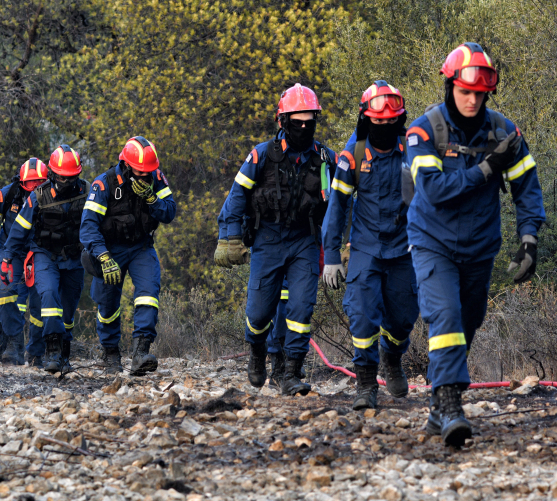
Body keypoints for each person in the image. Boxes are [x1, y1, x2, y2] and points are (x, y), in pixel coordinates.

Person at [406, 43, 545, 447]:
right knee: (445, 315)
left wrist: (529, 238)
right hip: (432, 241)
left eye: (478, 94)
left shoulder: (505, 132)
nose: (471, 100)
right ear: (450, 86)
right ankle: (450, 407)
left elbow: (527, 188)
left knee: (468, 321)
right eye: (464, 91)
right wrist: (487, 168)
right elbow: (433, 190)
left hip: (480, 247)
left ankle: (437, 405)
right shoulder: (423, 131)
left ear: (487, 93)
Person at [215, 83, 336, 396]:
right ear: (283, 122)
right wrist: (228, 237)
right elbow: (236, 197)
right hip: (268, 239)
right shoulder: (260, 155)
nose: (304, 127)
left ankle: (290, 371)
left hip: (305, 240)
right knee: (258, 314)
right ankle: (258, 351)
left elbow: (343, 203)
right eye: (298, 121)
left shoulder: (325, 159)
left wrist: (341, 245)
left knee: (300, 307)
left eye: (310, 121)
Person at [322, 80, 419, 410]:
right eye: (378, 121)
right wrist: (332, 255)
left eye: (391, 121)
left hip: (405, 248)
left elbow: (433, 198)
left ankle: (392, 358)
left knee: (404, 316)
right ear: (366, 119)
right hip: (365, 247)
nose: (385, 126)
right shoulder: (354, 154)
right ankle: (366, 383)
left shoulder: (412, 149)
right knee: (363, 315)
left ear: (400, 120)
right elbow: (337, 205)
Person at [80, 136, 177, 375]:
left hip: (141, 247)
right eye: (139, 171)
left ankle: (140, 352)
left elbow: (169, 212)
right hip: (109, 250)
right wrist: (102, 256)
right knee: (107, 302)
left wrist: (152, 199)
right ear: (125, 164)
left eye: (148, 172)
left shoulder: (156, 178)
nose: (145, 175)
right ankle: (110, 352)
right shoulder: (104, 184)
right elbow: (88, 226)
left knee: (148, 294)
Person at [4, 145, 89, 373]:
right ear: (52, 173)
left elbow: (97, 226)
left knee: (68, 311)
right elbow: (19, 230)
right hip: (44, 256)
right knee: (49, 297)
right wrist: (6, 258)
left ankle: (64, 352)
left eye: (70, 177)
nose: (65, 181)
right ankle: (51, 350)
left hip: (73, 259)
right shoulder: (37, 196)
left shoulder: (87, 193)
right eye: (61, 176)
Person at [0, 159, 48, 365]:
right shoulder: (7, 195)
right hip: (11, 253)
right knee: (4, 290)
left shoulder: (52, 196)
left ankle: (36, 350)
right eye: (30, 183)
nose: (34, 188)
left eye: (39, 182)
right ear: (21, 182)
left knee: (40, 301)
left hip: (39, 252)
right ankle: (14, 343)